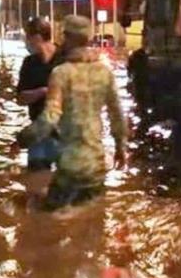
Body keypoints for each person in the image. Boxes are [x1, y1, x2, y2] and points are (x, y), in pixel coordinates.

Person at [21, 15, 129, 210]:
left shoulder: (61, 73)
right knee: (94, 226)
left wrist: (24, 137)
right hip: (96, 167)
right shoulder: (104, 72)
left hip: (70, 169)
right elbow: (117, 115)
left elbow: (50, 118)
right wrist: (121, 147)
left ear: (67, 38)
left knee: (43, 220)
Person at [16, 18, 65, 170]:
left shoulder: (64, 60)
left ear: (36, 38)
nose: (25, 42)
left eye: (27, 38)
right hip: (38, 136)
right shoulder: (29, 63)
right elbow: (20, 98)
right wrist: (43, 91)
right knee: (35, 184)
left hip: (64, 134)